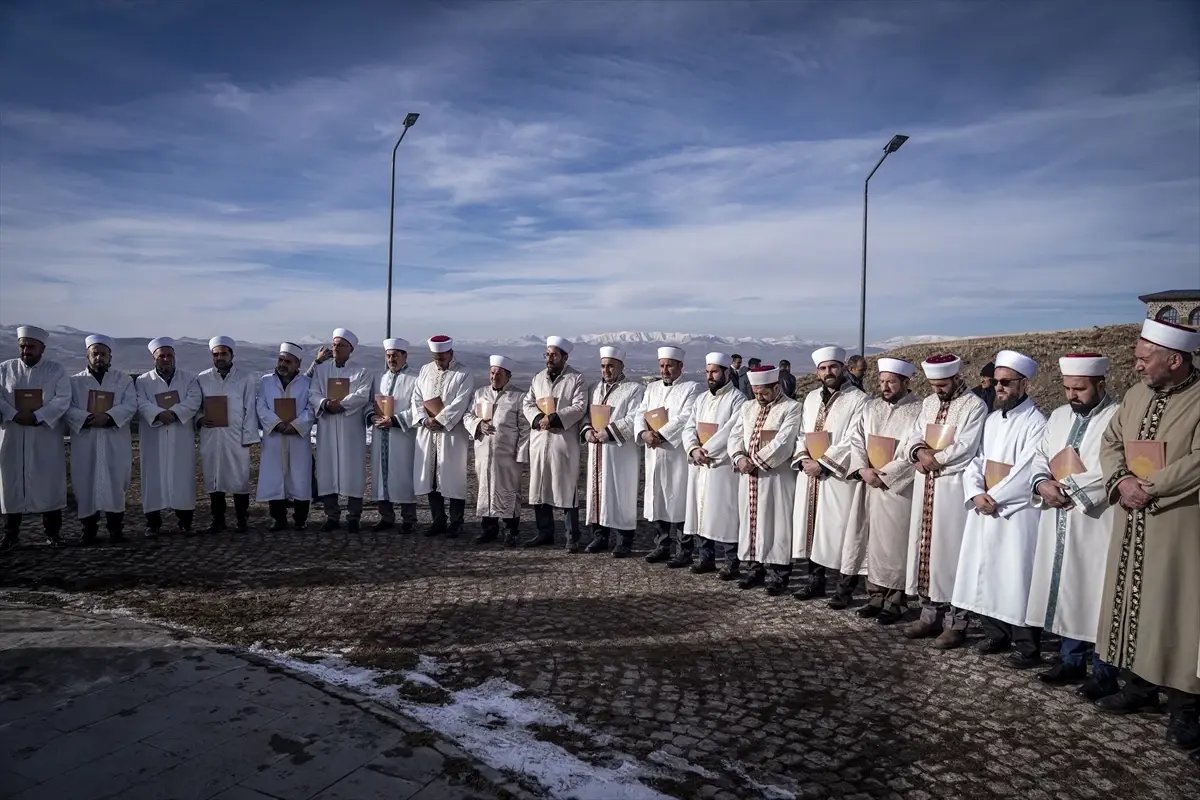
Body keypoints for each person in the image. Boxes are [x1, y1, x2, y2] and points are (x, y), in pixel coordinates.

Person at [1095, 318, 1199, 752]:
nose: (1136, 366)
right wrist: (1121, 481)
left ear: (1174, 360)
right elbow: (1111, 441)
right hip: (1132, 517)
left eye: (1144, 358)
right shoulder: (1136, 397)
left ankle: (1187, 707)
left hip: (1176, 522)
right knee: (1132, 602)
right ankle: (1137, 687)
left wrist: (1149, 488)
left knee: (1176, 608)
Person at [1025, 353, 1120, 696]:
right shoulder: (1059, 415)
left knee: (1094, 590)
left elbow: (1115, 465)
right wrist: (1041, 483)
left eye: (1079, 389)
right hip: (1056, 513)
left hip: (1095, 518)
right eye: (1067, 388)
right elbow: (1040, 455)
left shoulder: (1117, 416)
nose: (1072, 395)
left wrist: (1073, 490)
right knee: (1065, 585)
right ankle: (1071, 659)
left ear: (1100, 384)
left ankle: (1105, 671)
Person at [952, 350, 1048, 668]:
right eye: (996, 382)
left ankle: (1026, 645)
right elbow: (976, 460)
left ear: (1024, 384)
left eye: (1006, 382)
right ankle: (995, 632)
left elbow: (1028, 468)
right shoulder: (993, 419)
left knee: (1015, 574)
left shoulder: (1037, 422)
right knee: (986, 569)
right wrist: (976, 491)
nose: (999, 388)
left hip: (1015, 512)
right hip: (986, 506)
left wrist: (994, 496)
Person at [899, 354, 988, 648]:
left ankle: (956, 622)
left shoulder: (974, 406)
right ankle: (928, 616)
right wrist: (918, 453)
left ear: (956, 378)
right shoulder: (927, 404)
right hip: (926, 483)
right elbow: (914, 434)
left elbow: (966, 446)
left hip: (951, 488)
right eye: (934, 385)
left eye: (943, 384)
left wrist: (933, 459)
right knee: (925, 550)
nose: (938, 390)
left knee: (951, 555)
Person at [845, 357, 922, 624]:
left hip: (895, 489)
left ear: (905, 382)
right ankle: (874, 596)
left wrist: (886, 475)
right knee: (869, 541)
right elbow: (856, 439)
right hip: (868, 483)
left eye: (891, 381)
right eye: (881, 381)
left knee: (894, 544)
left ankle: (895, 601)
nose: (885, 386)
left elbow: (913, 447)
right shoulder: (871, 407)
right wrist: (863, 469)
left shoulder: (918, 410)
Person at [791, 346, 868, 605]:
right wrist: (803, 458)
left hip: (837, 476)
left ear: (843, 368)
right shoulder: (811, 398)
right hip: (810, 474)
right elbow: (802, 432)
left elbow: (854, 439)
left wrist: (823, 463)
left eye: (833, 367)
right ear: (817, 372)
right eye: (823, 368)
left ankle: (844, 588)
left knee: (840, 530)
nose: (829, 372)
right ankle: (816, 581)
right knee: (812, 529)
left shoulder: (858, 399)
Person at [727, 365, 803, 592]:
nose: (759, 397)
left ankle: (778, 575)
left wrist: (756, 461)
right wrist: (739, 457)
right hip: (749, 477)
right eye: (756, 392)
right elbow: (736, 435)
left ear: (776, 387)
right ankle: (753, 569)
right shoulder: (747, 407)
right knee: (750, 523)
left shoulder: (791, 408)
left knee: (777, 524)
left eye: (764, 393)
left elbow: (785, 440)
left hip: (776, 478)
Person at [0, 325, 71, 550]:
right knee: (11, 484)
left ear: (42, 348)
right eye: (23, 346)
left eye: (31, 346)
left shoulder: (56, 370)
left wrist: (39, 416)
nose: (26, 351)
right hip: (13, 433)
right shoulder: (5, 369)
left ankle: (53, 533)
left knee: (48, 482)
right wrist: (14, 414)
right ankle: (11, 534)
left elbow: (62, 399)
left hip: (44, 435)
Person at [65, 334, 138, 544]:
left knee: (116, 482)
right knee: (85, 482)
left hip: (114, 439)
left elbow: (130, 405)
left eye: (103, 354)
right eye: (95, 354)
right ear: (87, 355)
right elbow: (67, 408)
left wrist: (108, 417)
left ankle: (116, 528)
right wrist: (86, 418)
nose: (99, 358)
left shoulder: (122, 380)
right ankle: (89, 530)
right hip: (86, 439)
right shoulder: (75, 381)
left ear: (110, 356)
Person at [681, 352, 747, 574]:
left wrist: (705, 450)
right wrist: (693, 448)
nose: (710, 376)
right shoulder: (701, 399)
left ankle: (731, 561)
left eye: (715, 371)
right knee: (700, 511)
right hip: (700, 464)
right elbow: (689, 427)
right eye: (707, 372)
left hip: (720, 465)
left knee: (724, 512)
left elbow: (731, 430)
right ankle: (705, 557)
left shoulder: (738, 399)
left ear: (726, 372)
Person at [637, 346, 702, 565]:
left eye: (669, 366)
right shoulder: (652, 387)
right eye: (662, 366)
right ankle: (662, 545)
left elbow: (686, 416)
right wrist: (644, 433)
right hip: (654, 454)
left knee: (679, 499)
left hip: (675, 453)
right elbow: (640, 412)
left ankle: (684, 550)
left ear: (680, 366)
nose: (665, 370)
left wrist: (661, 435)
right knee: (657, 499)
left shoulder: (691, 388)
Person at [522, 336, 587, 550]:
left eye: (554, 355)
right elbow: (528, 402)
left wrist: (555, 417)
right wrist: (538, 418)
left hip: (562, 440)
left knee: (566, 488)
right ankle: (545, 532)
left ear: (564, 357)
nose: (549, 358)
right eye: (547, 354)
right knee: (539, 486)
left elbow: (579, 407)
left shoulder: (576, 379)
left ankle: (572, 536)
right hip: (541, 439)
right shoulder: (538, 378)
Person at [581, 346, 645, 558]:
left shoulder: (634, 389)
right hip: (597, 450)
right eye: (603, 366)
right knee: (597, 492)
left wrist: (609, 431)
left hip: (620, 452)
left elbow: (635, 417)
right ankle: (599, 535)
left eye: (610, 366)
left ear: (621, 367)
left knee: (620, 492)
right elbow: (586, 415)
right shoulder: (594, 389)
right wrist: (588, 430)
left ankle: (624, 540)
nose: (606, 370)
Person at [309, 328, 372, 533]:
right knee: (327, 471)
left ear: (350, 349)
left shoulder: (361, 372)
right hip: (327, 426)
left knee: (352, 472)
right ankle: (331, 515)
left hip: (350, 428)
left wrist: (342, 404)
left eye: (340, 345)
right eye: (334, 344)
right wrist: (325, 403)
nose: (335, 348)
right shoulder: (321, 371)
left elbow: (363, 395)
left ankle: (353, 516)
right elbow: (313, 393)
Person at [412, 335, 474, 537]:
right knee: (431, 476)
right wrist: (424, 420)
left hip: (451, 433)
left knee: (452, 477)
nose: (438, 361)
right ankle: (438, 519)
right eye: (435, 357)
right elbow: (417, 397)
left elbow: (461, 402)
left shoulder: (463, 373)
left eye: (442, 357)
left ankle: (456, 522)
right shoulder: (425, 370)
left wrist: (441, 419)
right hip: (429, 432)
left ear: (451, 353)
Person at [197, 335, 259, 533]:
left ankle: (242, 519)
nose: (220, 357)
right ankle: (218, 520)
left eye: (224, 353)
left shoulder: (245, 378)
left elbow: (250, 407)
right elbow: (196, 405)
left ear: (232, 355)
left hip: (236, 436)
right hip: (212, 435)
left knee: (239, 479)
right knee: (214, 478)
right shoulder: (202, 378)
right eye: (216, 354)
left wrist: (249, 436)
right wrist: (199, 419)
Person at [464, 355, 528, 545]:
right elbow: (467, 416)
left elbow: (525, 428)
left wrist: (521, 453)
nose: (494, 377)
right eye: (492, 373)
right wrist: (477, 425)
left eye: (499, 374)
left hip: (508, 455)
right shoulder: (480, 393)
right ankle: (489, 529)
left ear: (508, 376)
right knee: (485, 489)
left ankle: (511, 530)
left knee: (508, 491)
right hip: (484, 452)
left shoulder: (519, 397)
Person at [256, 343, 315, 531]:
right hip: (274, 437)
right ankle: (278, 518)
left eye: (288, 361)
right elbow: (261, 406)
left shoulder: (306, 383)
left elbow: (311, 408)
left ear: (298, 364)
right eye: (281, 360)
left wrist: (296, 425)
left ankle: (300, 519)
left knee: (300, 477)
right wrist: (277, 423)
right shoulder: (266, 381)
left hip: (297, 437)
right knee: (275, 478)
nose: (283, 364)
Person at [368, 338, 420, 533]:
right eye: (389, 356)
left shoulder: (415, 380)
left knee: (403, 476)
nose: (391, 359)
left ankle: (409, 519)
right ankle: (386, 517)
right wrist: (372, 415)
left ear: (404, 356)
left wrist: (396, 420)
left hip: (402, 436)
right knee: (381, 477)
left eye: (395, 355)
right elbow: (369, 404)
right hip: (380, 433)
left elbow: (418, 408)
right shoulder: (379, 378)